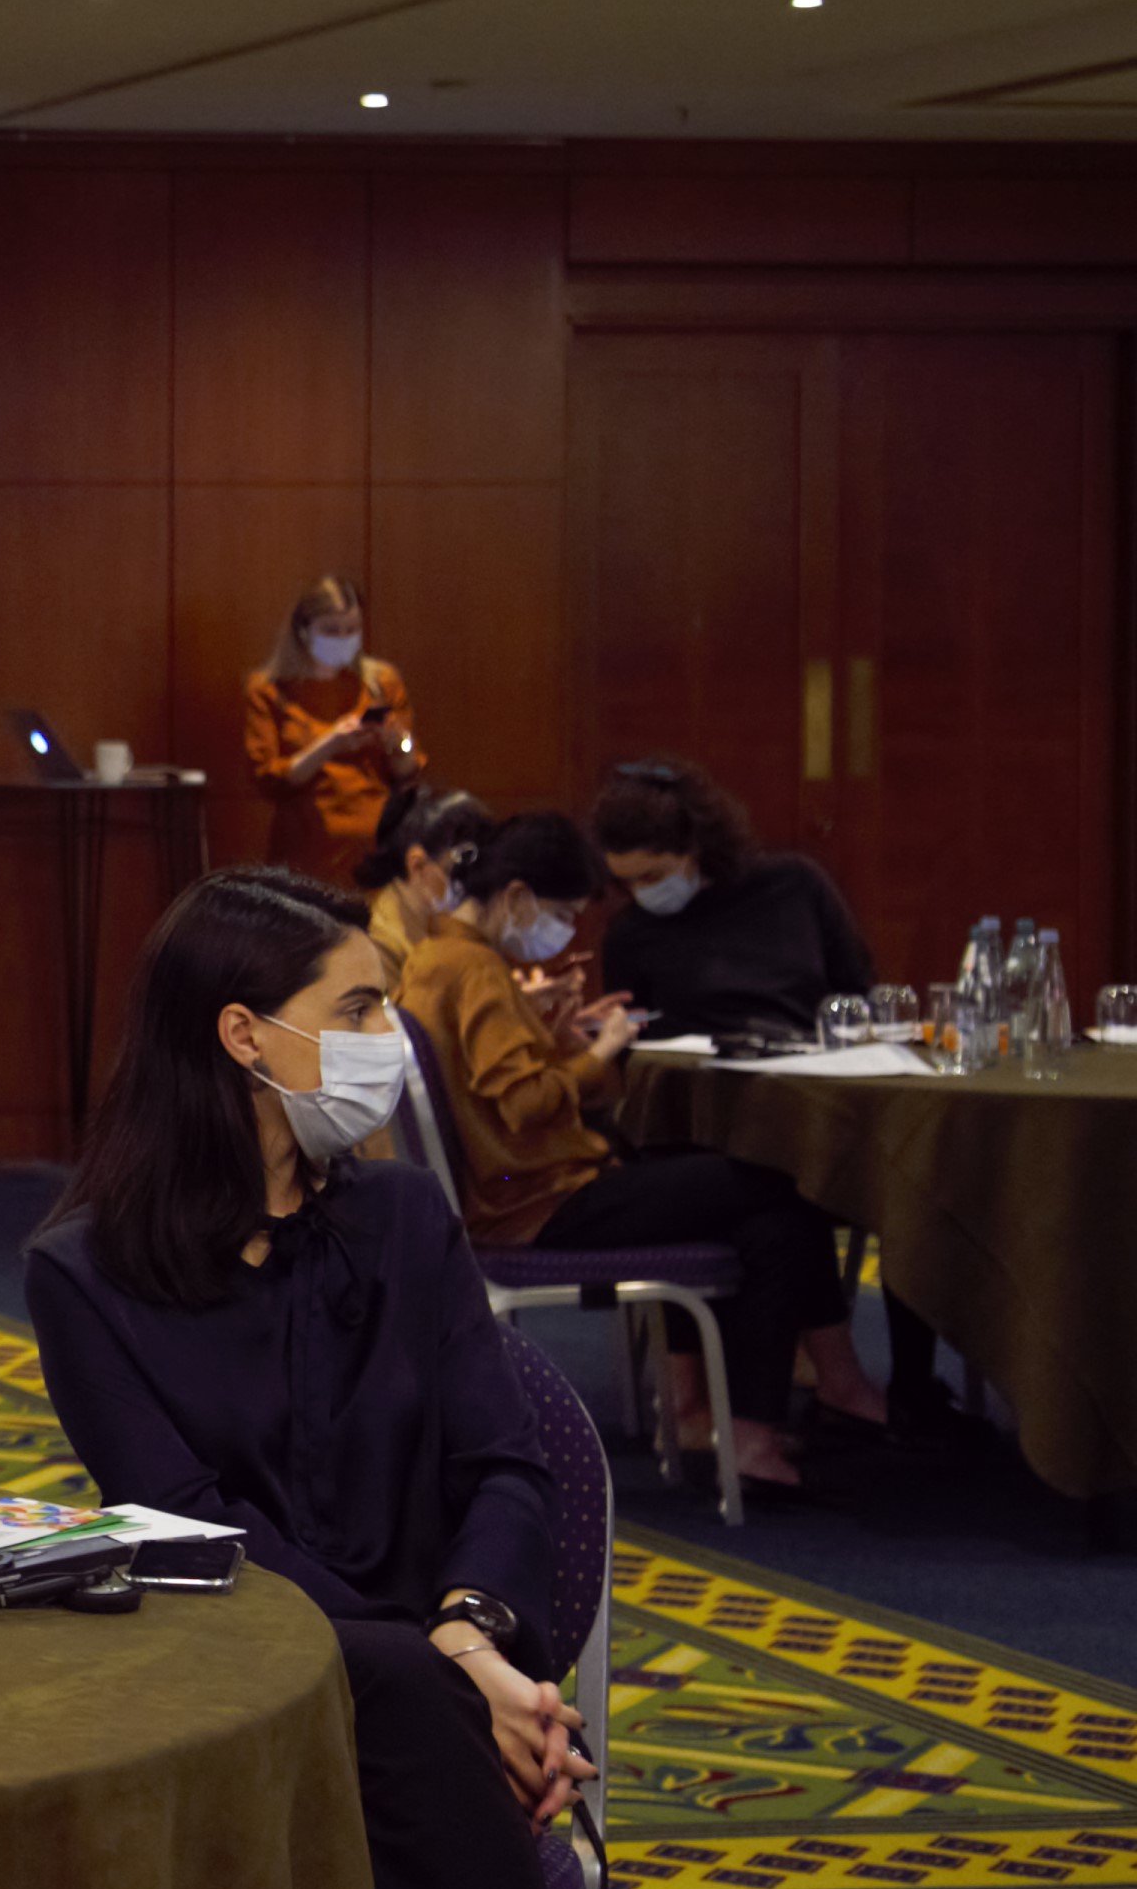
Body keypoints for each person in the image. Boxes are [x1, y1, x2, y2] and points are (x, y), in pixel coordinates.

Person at [23, 870, 603, 1889]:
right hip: (248, 1664)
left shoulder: (403, 1217)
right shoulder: (85, 1275)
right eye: (357, 1009)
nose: (388, 1038)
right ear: (245, 1035)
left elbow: (506, 1465)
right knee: (395, 1701)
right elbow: (194, 1526)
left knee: (403, 1725)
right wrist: (458, 1678)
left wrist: (469, 1633)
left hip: (456, 1647)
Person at [402, 811, 881, 1493]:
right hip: (536, 1204)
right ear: (515, 897)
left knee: (769, 1223)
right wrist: (600, 1052)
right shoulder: (474, 967)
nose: (566, 929)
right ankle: (807, 1401)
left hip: (515, 1193)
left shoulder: (436, 956)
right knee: (781, 1181)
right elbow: (524, 1103)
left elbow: (495, 1082)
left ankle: (743, 1428)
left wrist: (555, 1031)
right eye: (563, 914)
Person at [592, 757, 872, 1042]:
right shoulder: (628, 932)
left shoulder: (795, 884)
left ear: (694, 848)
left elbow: (857, 990)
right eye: (626, 882)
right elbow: (629, 1038)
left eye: (652, 876)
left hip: (804, 1057)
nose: (640, 891)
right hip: (695, 1066)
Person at [241, 574, 422, 881]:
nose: (343, 638)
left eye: (351, 630)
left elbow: (408, 771)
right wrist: (331, 743)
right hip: (306, 847)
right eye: (331, 630)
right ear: (303, 630)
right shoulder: (269, 689)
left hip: (375, 844)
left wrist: (398, 742)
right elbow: (268, 777)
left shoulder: (381, 682)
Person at [352, 781, 495, 968]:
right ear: (418, 866)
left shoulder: (437, 922)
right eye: (460, 871)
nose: (472, 883)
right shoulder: (375, 948)